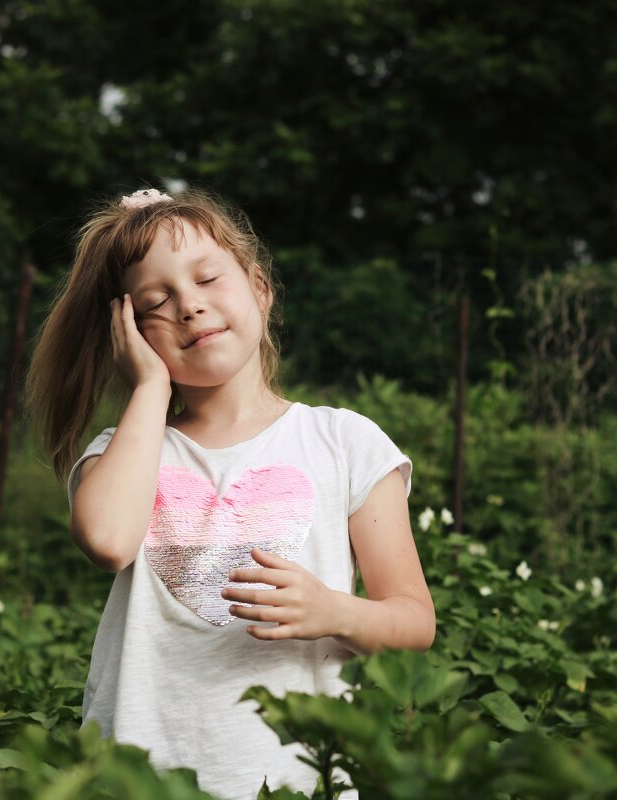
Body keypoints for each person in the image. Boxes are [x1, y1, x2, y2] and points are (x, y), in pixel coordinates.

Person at [25, 186, 435, 800]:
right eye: (155, 302)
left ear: (260, 288)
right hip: (140, 776)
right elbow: (108, 540)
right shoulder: (125, 449)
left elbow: (414, 621)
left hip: (294, 777)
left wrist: (334, 611)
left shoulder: (345, 441)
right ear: (130, 334)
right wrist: (148, 388)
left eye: (208, 278)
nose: (189, 307)